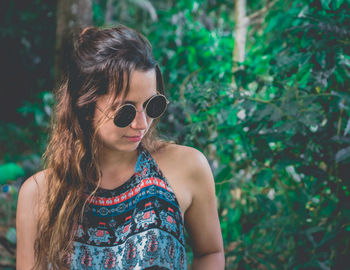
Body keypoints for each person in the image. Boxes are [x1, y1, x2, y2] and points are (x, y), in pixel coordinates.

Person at [16, 25, 224, 270]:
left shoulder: (187, 166)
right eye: (125, 111)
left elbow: (210, 251)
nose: (142, 123)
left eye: (152, 105)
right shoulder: (40, 194)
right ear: (85, 107)